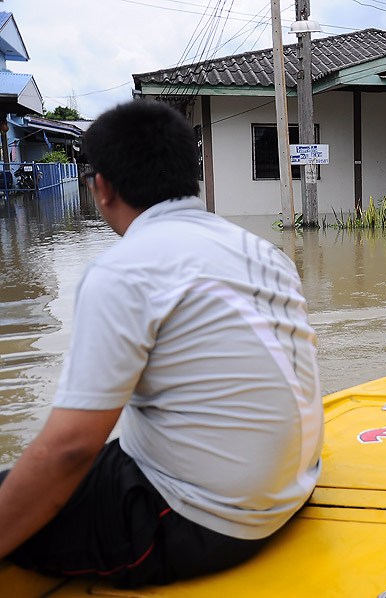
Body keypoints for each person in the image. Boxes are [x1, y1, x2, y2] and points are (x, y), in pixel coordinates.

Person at [0, 100, 323, 587]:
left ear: (101, 187)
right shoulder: (260, 250)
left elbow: (70, 449)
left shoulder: (124, 269)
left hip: (202, 519)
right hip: (292, 488)